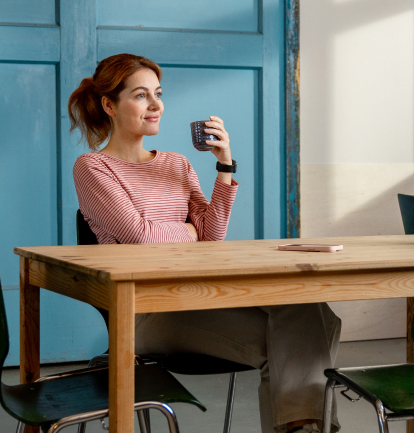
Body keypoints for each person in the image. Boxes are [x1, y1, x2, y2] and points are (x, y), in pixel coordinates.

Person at [69, 53, 341, 433]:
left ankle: (303, 428)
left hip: (197, 295)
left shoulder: (177, 163)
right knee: (307, 337)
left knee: (306, 311)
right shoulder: (93, 167)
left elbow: (211, 234)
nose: (156, 105)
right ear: (109, 105)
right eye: (141, 95)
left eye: (158, 94)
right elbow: (139, 238)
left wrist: (225, 166)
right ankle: (312, 426)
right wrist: (188, 232)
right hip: (146, 311)